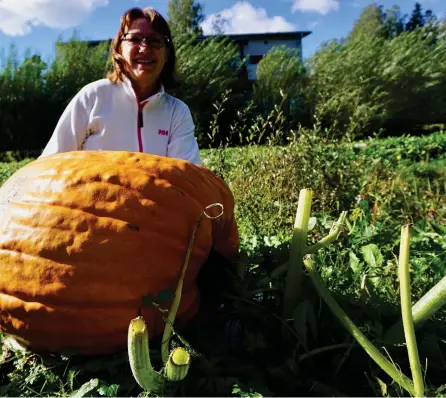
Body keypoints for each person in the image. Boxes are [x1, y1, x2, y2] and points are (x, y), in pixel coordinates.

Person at [40, 7, 201, 165]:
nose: (145, 48)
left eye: (155, 40)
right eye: (135, 39)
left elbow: (188, 179)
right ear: (119, 49)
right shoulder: (92, 97)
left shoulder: (177, 113)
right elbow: (50, 165)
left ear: (167, 54)